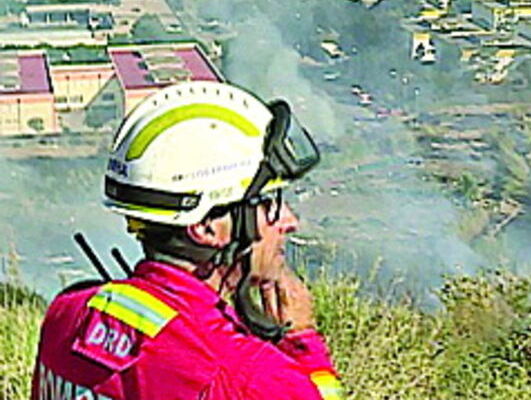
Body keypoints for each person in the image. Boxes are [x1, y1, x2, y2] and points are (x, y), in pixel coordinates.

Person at [31, 81, 343, 400]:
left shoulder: (67, 315)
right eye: (269, 204)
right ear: (207, 227)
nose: (290, 221)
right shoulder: (248, 378)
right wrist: (303, 342)